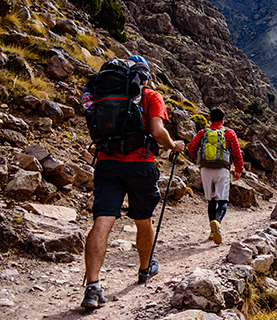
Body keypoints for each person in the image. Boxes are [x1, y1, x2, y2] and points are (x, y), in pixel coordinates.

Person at [81, 55, 185, 309]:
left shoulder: (101, 93)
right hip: (140, 165)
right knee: (143, 219)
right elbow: (158, 131)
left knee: (102, 219)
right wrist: (174, 145)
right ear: (143, 75)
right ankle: (144, 268)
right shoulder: (150, 96)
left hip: (107, 163)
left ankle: (93, 287)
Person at [187, 109, 243, 245]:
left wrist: (199, 159)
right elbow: (236, 151)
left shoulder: (203, 133)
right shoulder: (229, 133)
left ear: (210, 119)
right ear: (223, 119)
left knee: (211, 200)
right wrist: (238, 169)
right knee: (222, 200)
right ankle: (217, 222)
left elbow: (191, 147)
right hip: (222, 169)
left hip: (205, 169)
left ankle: (212, 231)